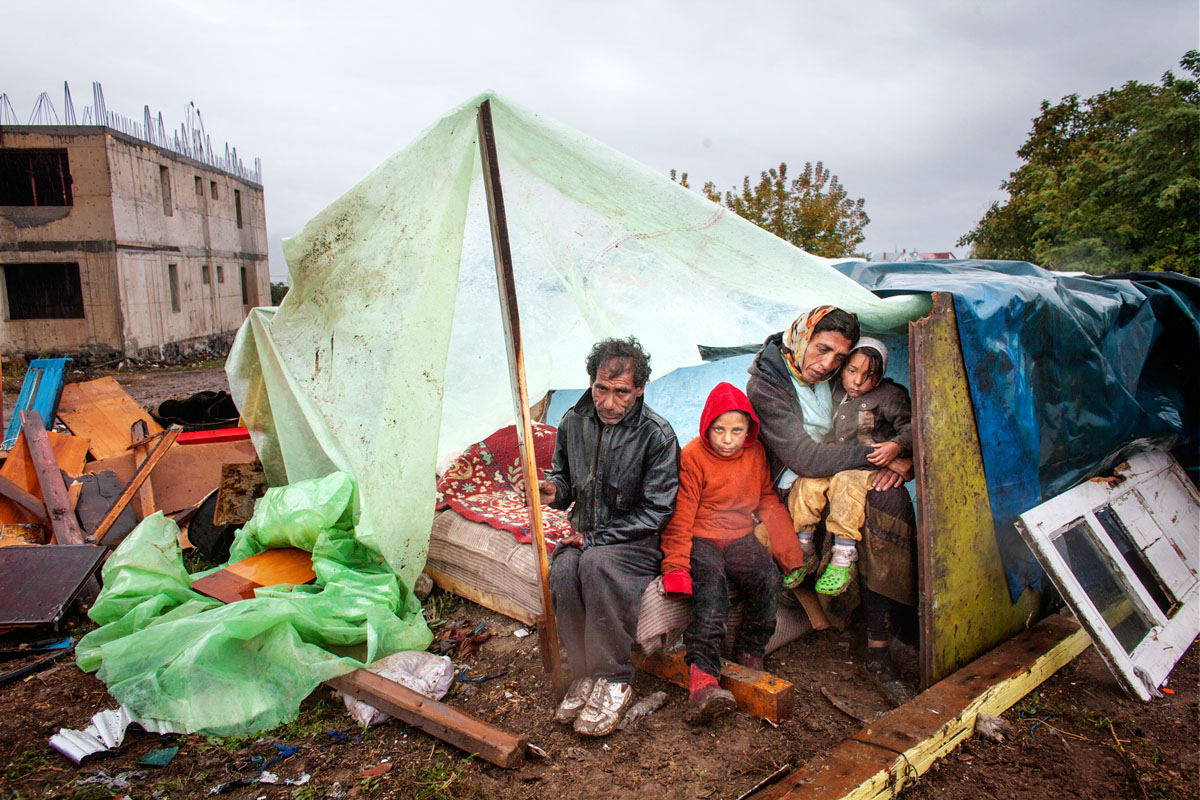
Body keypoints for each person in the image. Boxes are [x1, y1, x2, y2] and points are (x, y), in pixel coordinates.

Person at [746, 306, 917, 704]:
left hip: (837, 475)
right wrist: (880, 456)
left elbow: (886, 422)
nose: (827, 365)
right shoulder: (769, 385)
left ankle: (882, 640)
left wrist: (898, 462)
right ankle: (871, 630)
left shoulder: (843, 383)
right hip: (792, 486)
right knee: (871, 494)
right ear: (802, 337)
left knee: (888, 498)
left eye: (839, 359)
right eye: (821, 350)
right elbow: (805, 458)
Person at [534, 336, 680, 736]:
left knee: (595, 564)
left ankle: (614, 679)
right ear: (591, 382)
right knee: (563, 572)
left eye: (621, 393)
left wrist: (595, 541)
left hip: (635, 544)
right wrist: (554, 491)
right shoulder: (572, 422)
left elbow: (657, 511)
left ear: (639, 390)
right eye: (601, 389)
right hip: (586, 534)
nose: (609, 403)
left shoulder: (657, 435)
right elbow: (565, 480)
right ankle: (585, 675)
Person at [658, 382, 806, 723]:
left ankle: (750, 652)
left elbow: (767, 499)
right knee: (711, 593)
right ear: (706, 426)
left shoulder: (755, 455)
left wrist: (788, 552)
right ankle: (704, 680)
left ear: (749, 430)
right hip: (701, 537)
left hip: (739, 536)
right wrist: (676, 567)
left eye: (737, 430)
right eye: (719, 429)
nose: (727, 439)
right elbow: (680, 515)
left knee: (767, 579)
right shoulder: (693, 456)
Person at [784, 338, 913, 597]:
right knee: (805, 484)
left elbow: (913, 428)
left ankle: (843, 556)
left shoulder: (891, 396)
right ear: (842, 369)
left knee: (845, 484)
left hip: (866, 468)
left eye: (869, 375)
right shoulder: (833, 392)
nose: (857, 381)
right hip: (838, 461)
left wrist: (897, 446)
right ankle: (804, 548)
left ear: (880, 376)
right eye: (852, 371)